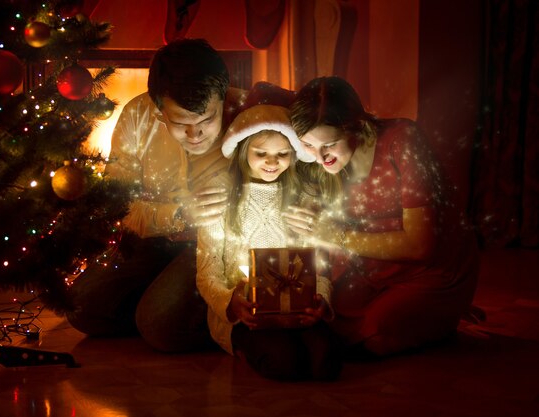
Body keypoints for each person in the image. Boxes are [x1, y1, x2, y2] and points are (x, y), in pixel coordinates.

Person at [66, 38, 296, 353]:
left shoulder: (250, 118)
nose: (195, 134)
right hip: (148, 241)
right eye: (181, 124)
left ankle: (170, 317)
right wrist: (178, 214)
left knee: (160, 325)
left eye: (207, 120)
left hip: (209, 252)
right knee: (79, 306)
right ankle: (161, 312)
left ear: (224, 100)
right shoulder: (137, 116)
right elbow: (115, 205)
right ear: (159, 111)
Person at [283, 76, 479, 358]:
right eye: (309, 146)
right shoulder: (319, 162)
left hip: (431, 271)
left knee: (377, 332)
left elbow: (420, 246)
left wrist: (333, 235)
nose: (319, 157)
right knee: (320, 313)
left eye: (330, 144)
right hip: (369, 265)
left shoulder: (402, 140)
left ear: (359, 125)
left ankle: (443, 315)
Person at [196, 104, 343, 381]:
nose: (272, 162)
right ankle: (246, 348)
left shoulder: (302, 198)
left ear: (294, 155)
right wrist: (232, 302)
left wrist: (320, 298)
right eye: (261, 153)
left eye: (282, 154)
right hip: (246, 315)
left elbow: (319, 264)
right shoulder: (220, 200)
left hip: (294, 311)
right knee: (283, 363)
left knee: (328, 362)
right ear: (242, 151)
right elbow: (207, 273)